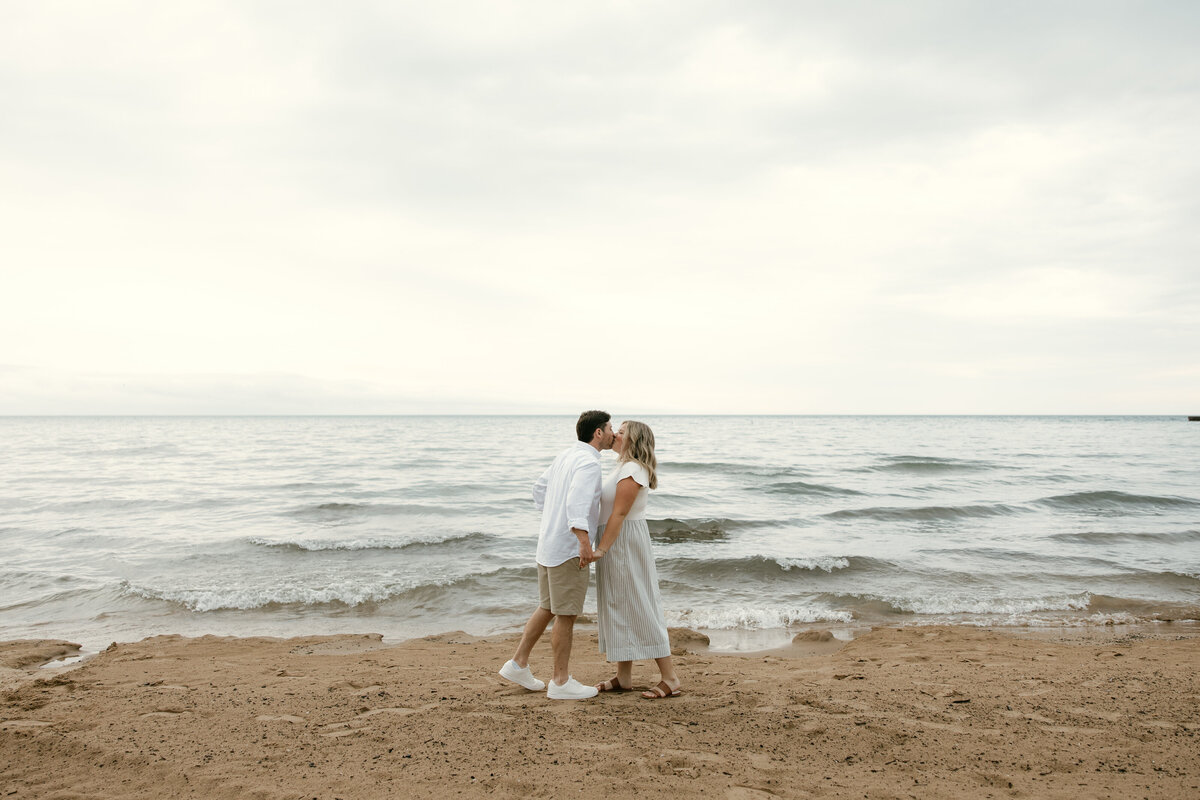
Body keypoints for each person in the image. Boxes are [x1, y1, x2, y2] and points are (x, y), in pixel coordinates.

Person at [498, 410, 614, 700]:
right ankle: (561, 682)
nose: (613, 434)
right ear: (598, 433)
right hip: (566, 549)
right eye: (610, 428)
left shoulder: (565, 456)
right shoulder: (588, 462)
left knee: (547, 607)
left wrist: (552, 516)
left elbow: (539, 489)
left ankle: (518, 663)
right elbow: (576, 502)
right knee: (566, 614)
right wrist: (583, 541)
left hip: (547, 543)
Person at [590, 420, 682, 699]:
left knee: (640, 605)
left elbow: (619, 514)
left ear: (633, 441)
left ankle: (670, 678)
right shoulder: (623, 467)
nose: (615, 435)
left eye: (621, 433)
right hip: (616, 537)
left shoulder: (633, 470)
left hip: (624, 541)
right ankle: (623, 677)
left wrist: (602, 549)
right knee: (619, 604)